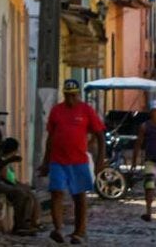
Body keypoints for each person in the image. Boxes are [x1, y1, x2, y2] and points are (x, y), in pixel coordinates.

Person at [37, 78, 106, 245]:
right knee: (56, 192)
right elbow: (50, 138)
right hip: (58, 160)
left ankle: (79, 231)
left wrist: (99, 161)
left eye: (73, 96)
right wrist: (46, 162)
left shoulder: (86, 110)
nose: (70, 99)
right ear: (64, 95)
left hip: (78, 161)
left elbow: (100, 135)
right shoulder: (56, 111)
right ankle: (58, 228)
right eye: (67, 96)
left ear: (78, 94)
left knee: (79, 197)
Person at [0, 127, 41, 236]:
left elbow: (1, 174)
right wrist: (9, 160)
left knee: (27, 194)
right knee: (19, 194)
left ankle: (25, 224)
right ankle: (21, 224)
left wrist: (15, 184)